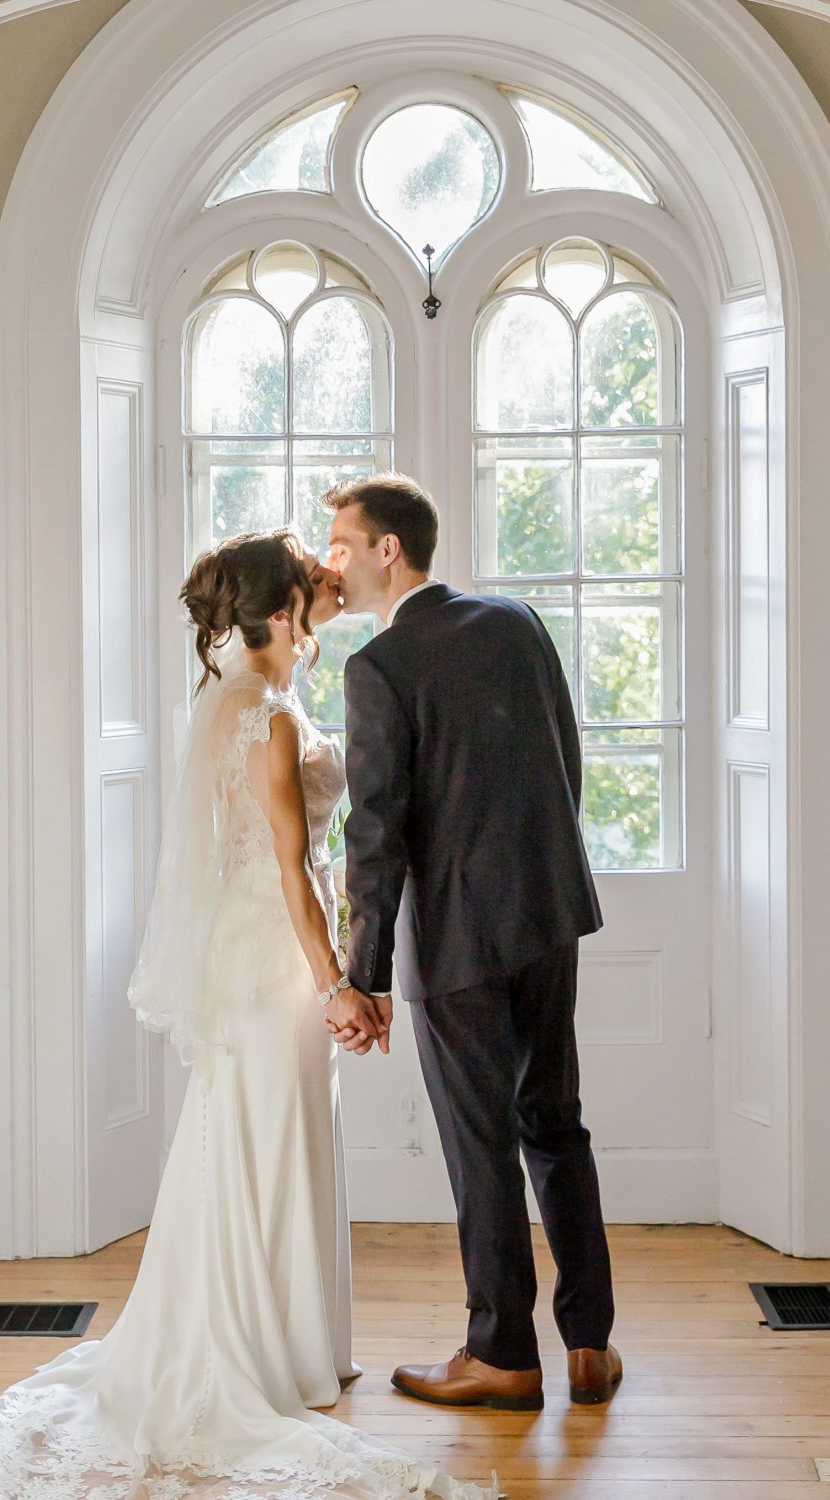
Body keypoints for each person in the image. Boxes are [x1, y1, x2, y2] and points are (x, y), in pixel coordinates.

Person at [0, 529, 491, 1500]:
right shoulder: (265, 716)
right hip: (273, 954)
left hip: (251, 949)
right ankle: (269, 1353)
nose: (325, 594)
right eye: (311, 591)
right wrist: (335, 982)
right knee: (269, 1134)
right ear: (283, 615)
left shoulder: (232, 700)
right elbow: (291, 866)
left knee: (256, 1133)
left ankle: (289, 1346)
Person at [324, 474, 622, 1412]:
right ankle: (589, 1345)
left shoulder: (378, 668)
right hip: (547, 913)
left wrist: (361, 975)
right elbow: (564, 759)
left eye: (342, 541)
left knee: (480, 1144)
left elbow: (378, 831)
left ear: (388, 549)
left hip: (455, 938)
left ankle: (502, 1354)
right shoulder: (515, 621)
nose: (331, 557)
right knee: (555, 1120)